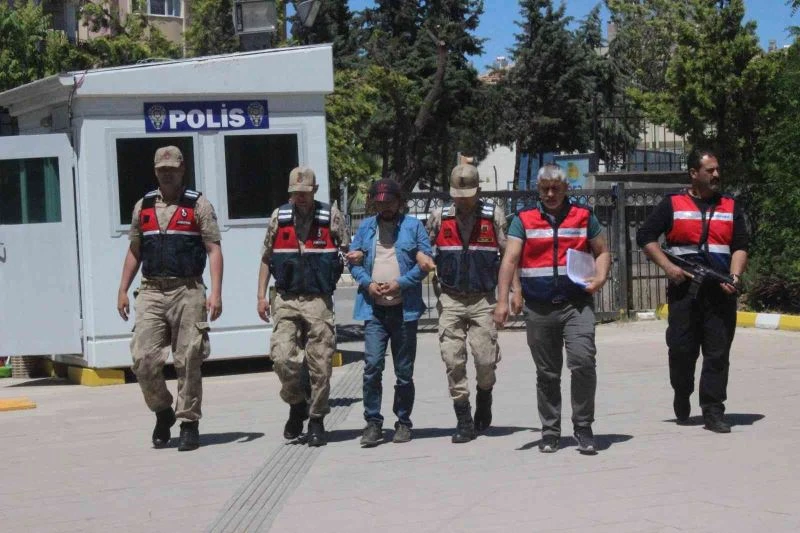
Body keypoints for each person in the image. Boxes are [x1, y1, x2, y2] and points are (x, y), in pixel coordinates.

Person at [494, 164, 610, 454]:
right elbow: (510, 259)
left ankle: (583, 427)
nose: (549, 193)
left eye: (555, 188)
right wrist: (503, 299)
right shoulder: (524, 219)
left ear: (565, 188)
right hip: (539, 307)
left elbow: (603, 251)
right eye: (544, 188)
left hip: (576, 304)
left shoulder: (584, 216)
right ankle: (550, 431)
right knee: (548, 373)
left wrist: (600, 277)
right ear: (538, 189)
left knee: (583, 361)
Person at [117, 145, 224, 452]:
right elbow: (135, 251)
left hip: (188, 290)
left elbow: (214, 249)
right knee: (143, 358)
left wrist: (215, 293)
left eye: (172, 169)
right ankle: (163, 411)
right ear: (155, 171)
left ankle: (189, 422)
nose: (167, 174)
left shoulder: (198, 206)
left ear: (182, 170)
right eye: (161, 169)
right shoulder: (144, 207)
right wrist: (122, 288)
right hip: (151, 289)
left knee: (189, 358)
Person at [636, 150, 748, 433]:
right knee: (682, 350)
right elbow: (646, 237)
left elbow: (740, 246)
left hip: (720, 290)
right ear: (693, 174)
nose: (716, 175)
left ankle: (713, 410)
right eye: (709, 170)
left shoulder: (730, 206)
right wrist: (668, 268)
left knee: (717, 353)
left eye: (717, 170)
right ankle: (682, 391)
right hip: (684, 290)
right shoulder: (672, 203)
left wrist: (734, 277)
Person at [426, 164, 522, 443]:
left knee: (484, 359)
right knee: (452, 359)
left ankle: (485, 394)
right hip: (451, 297)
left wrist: (516, 290)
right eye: (458, 194)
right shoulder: (438, 217)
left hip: (483, 298)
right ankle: (463, 419)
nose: (463, 200)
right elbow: (425, 247)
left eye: (468, 194)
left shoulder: (494, 216)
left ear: (478, 191)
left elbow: (509, 255)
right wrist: (424, 259)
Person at [257, 166, 349, 447]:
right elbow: (266, 258)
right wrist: (261, 295)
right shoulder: (279, 217)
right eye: (296, 194)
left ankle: (317, 418)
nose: (300, 198)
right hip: (285, 298)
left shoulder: (330, 216)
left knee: (320, 362)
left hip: (318, 299)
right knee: (283, 357)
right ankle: (297, 403)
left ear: (315, 191)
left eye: (305, 193)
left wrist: (353, 259)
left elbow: (345, 250)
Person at [347, 178, 432, 447]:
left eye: (389, 202)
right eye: (379, 202)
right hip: (374, 311)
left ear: (399, 202)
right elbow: (353, 262)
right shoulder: (366, 228)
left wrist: (400, 283)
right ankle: (373, 422)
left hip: (404, 311)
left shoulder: (413, 227)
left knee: (404, 371)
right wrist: (368, 284)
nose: (384, 207)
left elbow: (425, 263)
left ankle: (403, 422)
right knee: (372, 366)